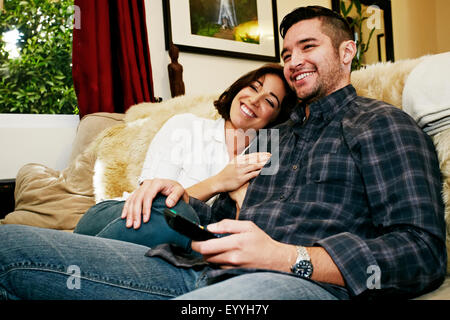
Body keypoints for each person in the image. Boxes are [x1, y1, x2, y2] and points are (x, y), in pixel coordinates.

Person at [0, 6, 446, 300]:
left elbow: (423, 252)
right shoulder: (275, 138)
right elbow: (219, 215)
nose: (293, 62)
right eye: (287, 52)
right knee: (8, 247)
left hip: (290, 281)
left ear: (347, 51)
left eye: (307, 47)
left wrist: (289, 257)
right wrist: (180, 195)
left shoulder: (383, 124)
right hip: (197, 265)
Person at [73, 63, 296, 250]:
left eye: (270, 101)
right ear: (239, 89)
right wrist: (220, 182)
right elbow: (155, 200)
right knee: (178, 214)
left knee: (204, 240)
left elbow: (249, 229)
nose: (256, 99)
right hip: (121, 215)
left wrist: (240, 197)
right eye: (254, 87)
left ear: (276, 118)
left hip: (180, 240)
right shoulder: (185, 126)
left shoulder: (265, 158)